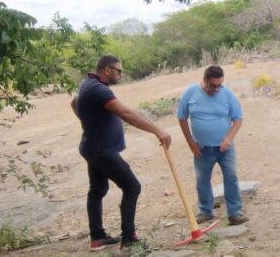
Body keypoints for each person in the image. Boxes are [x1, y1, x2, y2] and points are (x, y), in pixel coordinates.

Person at [71, 55, 171, 251]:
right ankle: (129, 239)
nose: (121, 74)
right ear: (107, 70)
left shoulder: (88, 83)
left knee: (98, 191)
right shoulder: (98, 89)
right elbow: (126, 113)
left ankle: (97, 238)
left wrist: (90, 122)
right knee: (132, 187)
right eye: (119, 71)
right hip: (102, 151)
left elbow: (74, 102)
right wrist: (157, 130)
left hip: (92, 147)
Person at [177, 65, 249, 226]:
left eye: (219, 85)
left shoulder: (228, 94)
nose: (216, 89)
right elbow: (182, 117)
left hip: (225, 148)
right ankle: (205, 212)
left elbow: (238, 118)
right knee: (202, 180)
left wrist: (229, 138)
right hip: (202, 149)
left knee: (231, 177)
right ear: (204, 81)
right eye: (212, 85)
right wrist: (190, 141)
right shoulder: (191, 93)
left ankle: (235, 213)